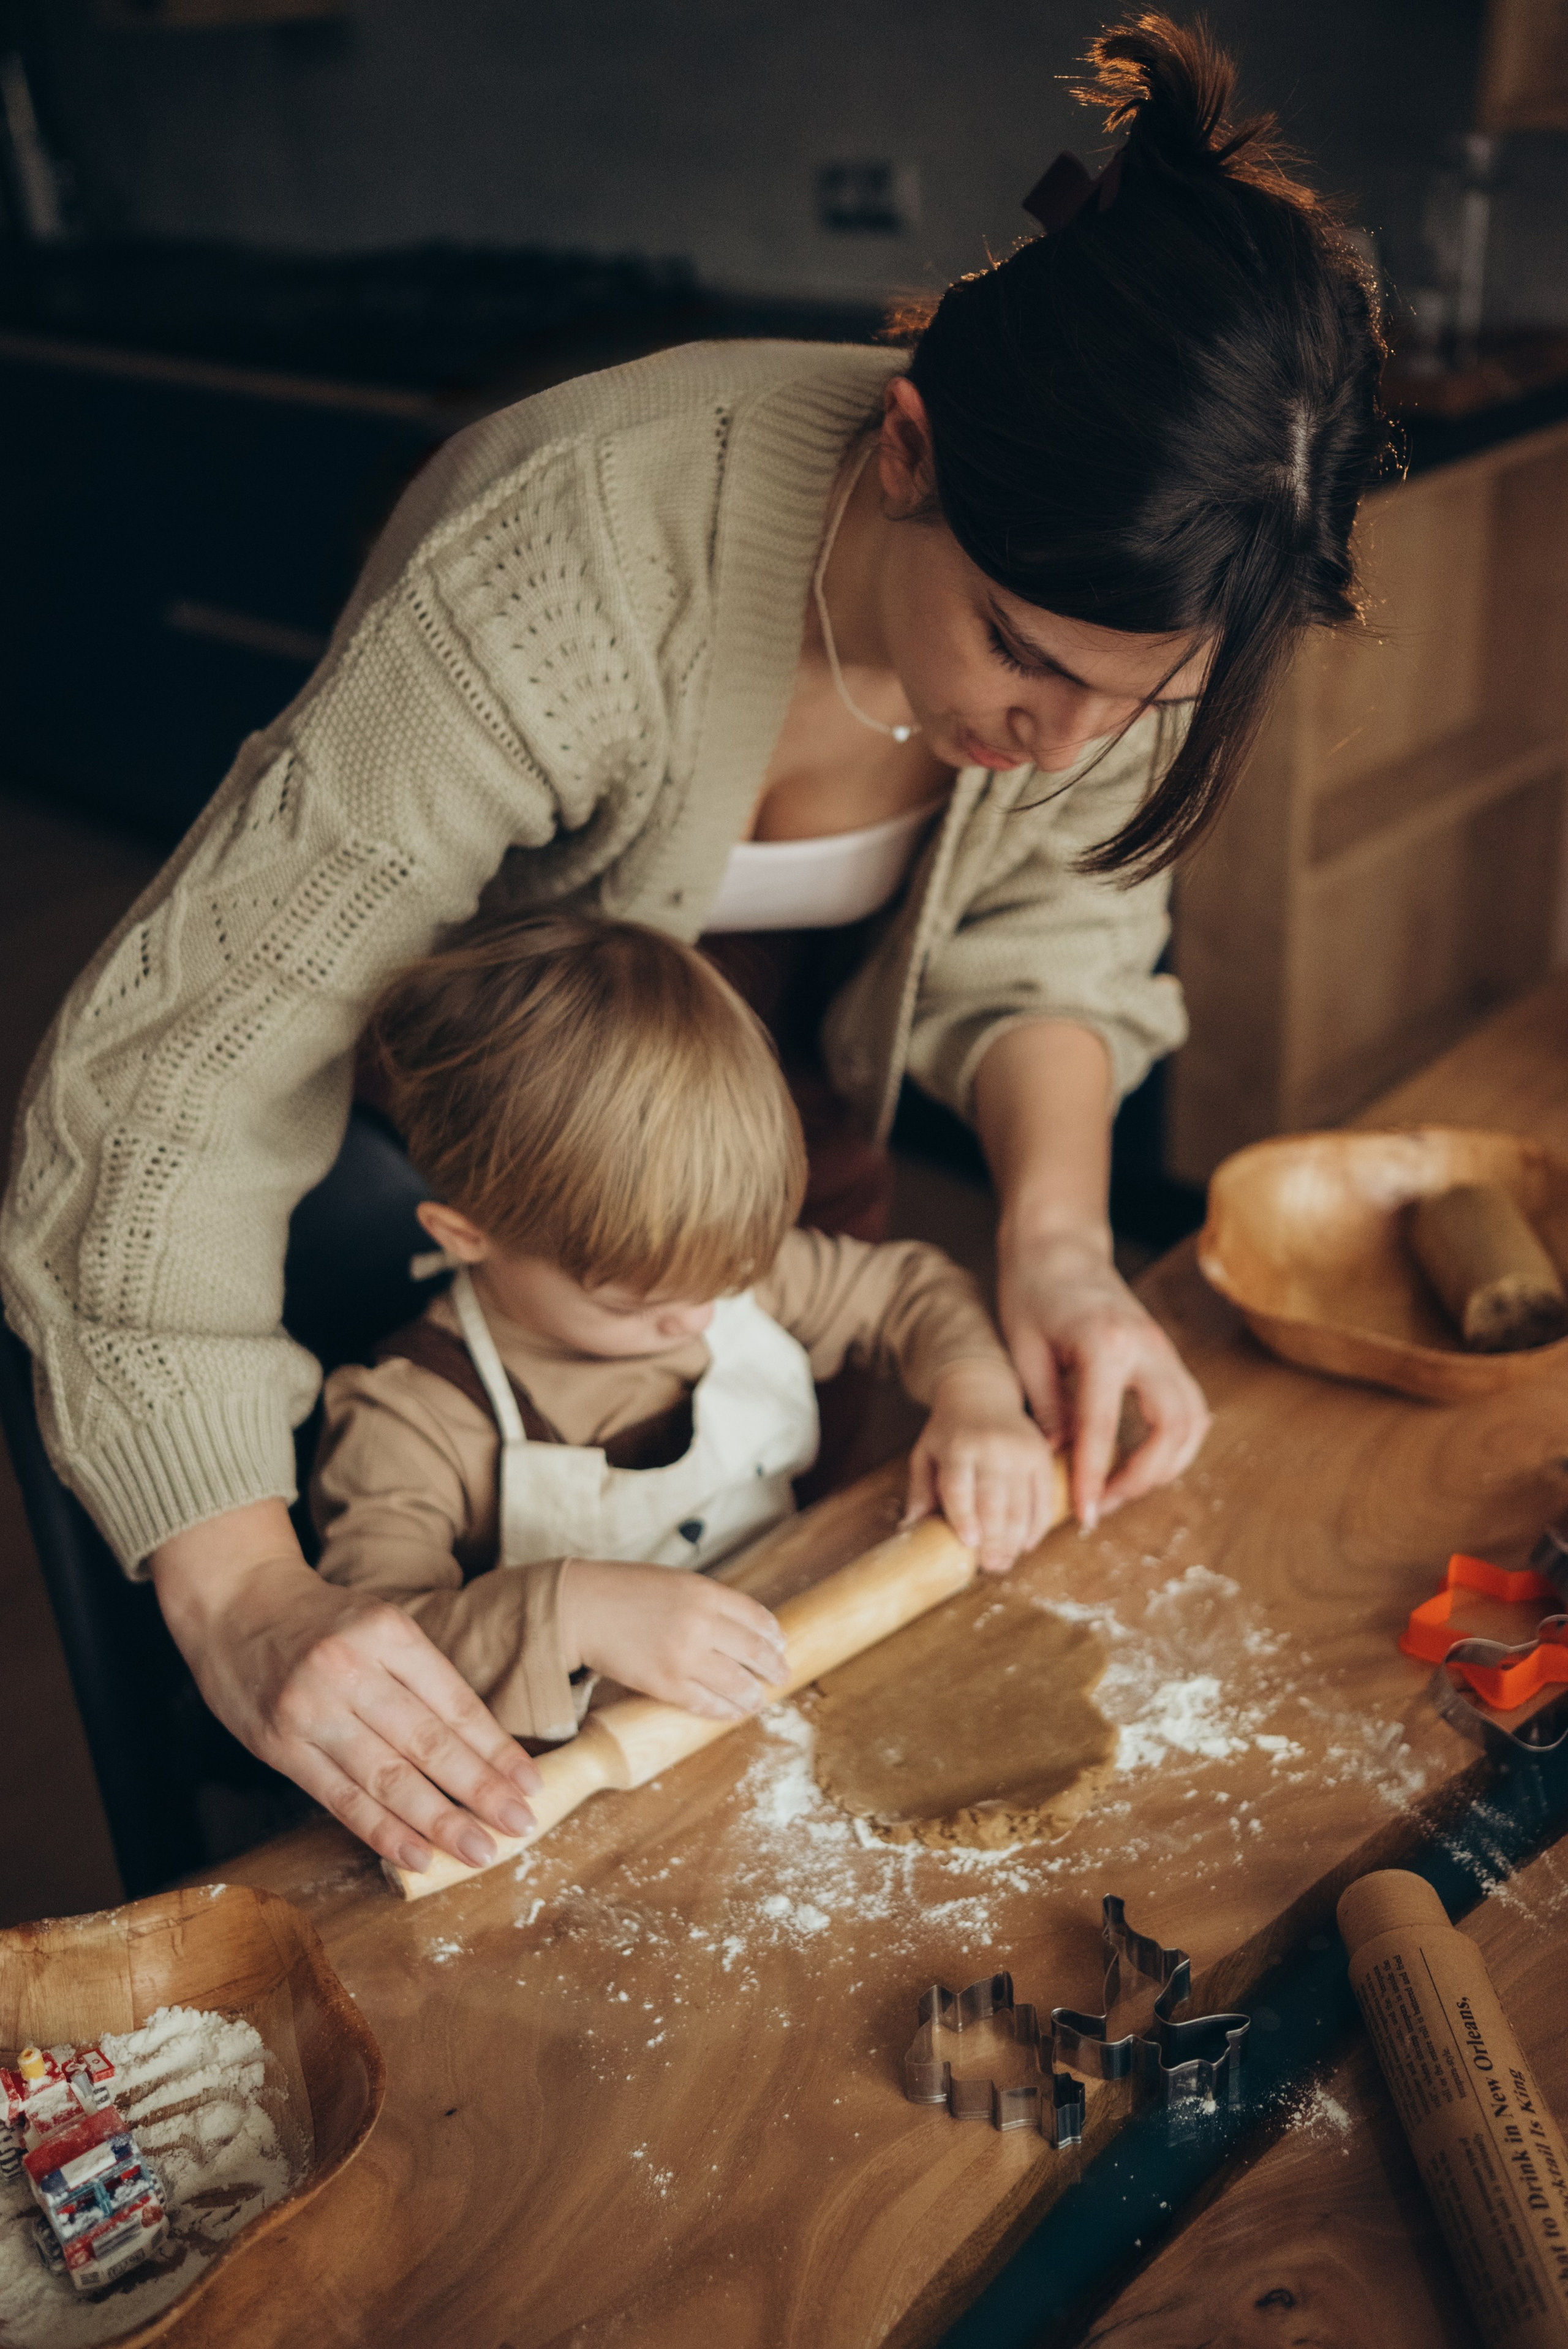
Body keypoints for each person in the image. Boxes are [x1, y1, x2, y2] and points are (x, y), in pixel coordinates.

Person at [0, 14, 1389, 1876]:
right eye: (1025, 660)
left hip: (770, 1185)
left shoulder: (1116, 610)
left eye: (1134, 710)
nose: (1061, 746)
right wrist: (249, 1595)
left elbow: (1054, 925)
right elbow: (188, 1071)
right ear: (908, 450)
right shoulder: (570, 564)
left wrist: (1055, 1248)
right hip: (453, 1188)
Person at [311, 914, 1061, 1768]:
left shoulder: (721, 1276)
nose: (700, 1321)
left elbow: (910, 1290)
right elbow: (368, 1661)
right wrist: (573, 1612)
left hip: (776, 1707)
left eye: (723, 1283)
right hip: (584, 1793)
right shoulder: (411, 1418)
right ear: (466, 1234)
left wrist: (978, 1396)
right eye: (642, 1308)